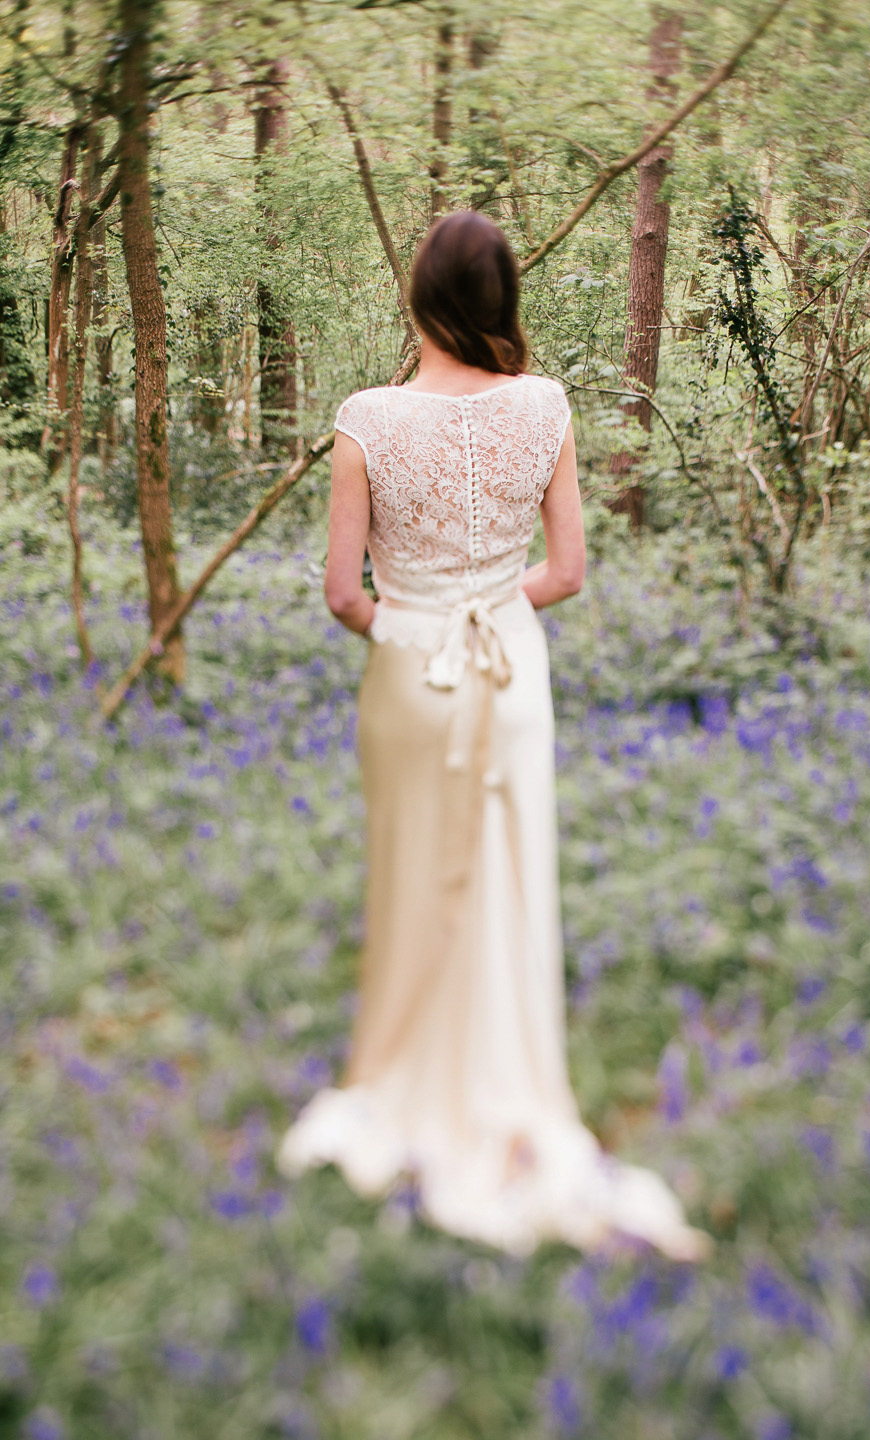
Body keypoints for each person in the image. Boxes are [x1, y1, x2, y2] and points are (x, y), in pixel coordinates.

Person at [276, 211, 709, 1262]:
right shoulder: (545, 406)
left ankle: (403, 1072)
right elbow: (565, 573)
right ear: (504, 301)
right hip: (510, 669)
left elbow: (344, 595)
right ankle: (510, 1082)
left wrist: (417, 622)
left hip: (410, 673)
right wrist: (486, 607)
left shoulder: (366, 418)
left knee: (411, 872)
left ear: (420, 300)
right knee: (510, 874)